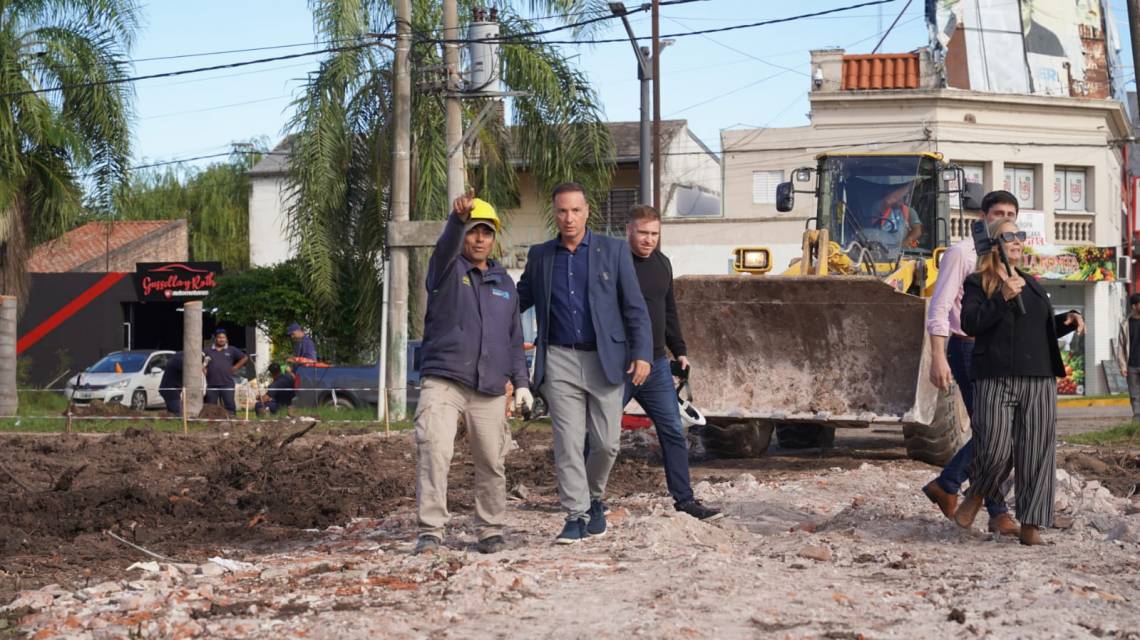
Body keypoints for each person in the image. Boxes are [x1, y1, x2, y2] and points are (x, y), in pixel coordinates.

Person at [518, 182, 653, 545]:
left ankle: (594, 497)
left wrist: (642, 353)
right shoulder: (541, 256)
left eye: (575, 210)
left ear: (587, 212)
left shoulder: (613, 251)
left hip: (605, 359)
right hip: (559, 359)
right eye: (562, 211)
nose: (569, 218)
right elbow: (518, 300)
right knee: (568, 440)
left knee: (607, 443)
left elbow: (634, 308)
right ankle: (575, 514)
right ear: (555, 214)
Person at [413, 190, 531, 556]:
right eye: (473, 231)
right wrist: (456, 221)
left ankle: (490, 530)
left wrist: (523, 383)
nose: (479, 238)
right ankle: (431, 531)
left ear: (494, 238)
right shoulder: (447, 269)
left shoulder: (504, 283)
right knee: (434, 450)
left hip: (490, 387)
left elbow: (513, 339)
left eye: (487, 232)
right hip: (444, 380)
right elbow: (445, 247)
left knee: (492, 461)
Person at [954, 219, 1084, 545]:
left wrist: (1065, 321)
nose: (1018, 241)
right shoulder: (977, 282)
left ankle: (1031, 525)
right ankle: (979, 491)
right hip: (995, 375)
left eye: (1020, 235)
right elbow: (970, 323)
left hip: (1038, 376)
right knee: (994, 445)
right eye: (1010, 235)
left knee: (1036, 452)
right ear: (993, 243)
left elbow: (1036, 329)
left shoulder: (1031, 283)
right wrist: (1002, 297)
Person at [921, 190, 1018, 535]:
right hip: (965, 348)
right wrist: (937, 356)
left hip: (996, 353)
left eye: (1009, 213)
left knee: (993, 431)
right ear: (983, 217)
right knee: (995, 431)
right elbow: (940, 306)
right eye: (996, 213)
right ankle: (983, 504)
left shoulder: (1006, 257)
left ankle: (957, 491)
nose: (1002, 217)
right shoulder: (961, 254)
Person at [623, 204, 721, 520]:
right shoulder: (614, 263)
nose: (649, 240)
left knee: (673, 432)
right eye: (643, 233)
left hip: (655, 365)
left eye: (654, 234)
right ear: (629, 230)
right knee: (600, 434)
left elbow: (668, 311)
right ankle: (580, 500)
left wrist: (679, 348)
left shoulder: (662, 264)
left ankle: (685, 500)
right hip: (619, 366)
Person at [860, 182, 923, 257]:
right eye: (898, 195)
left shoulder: (909, 211)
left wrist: (906, 241)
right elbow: (889, 200)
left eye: (902, 196)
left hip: (901, 252)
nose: (900, 198)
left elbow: (917, 230)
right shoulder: (879, 207)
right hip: (880, 250)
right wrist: (911, 184)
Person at [203, 328, 248, 415]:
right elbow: (199, 360)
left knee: (229, 405)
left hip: (227, 383)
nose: (222, 339)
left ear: (226, 339)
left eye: (224, 337)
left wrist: (235, 367)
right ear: (215, 338)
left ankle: (232, 422)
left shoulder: (231, 350)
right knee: (211, 407)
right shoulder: (207, 350)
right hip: (211, 384)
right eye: (219, 337)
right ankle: (212, 423)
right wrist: (204, 369)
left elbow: (245, 357)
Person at [1122, 293, 1140, 422]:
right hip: (1132, 365)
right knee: (1134, 395)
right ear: (1134, 306)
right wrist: (1123, 366)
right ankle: (1137, 419)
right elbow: (1121, 347)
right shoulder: (1125, 324)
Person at [159, 351, 186, 415]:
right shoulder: (178, 361)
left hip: (169, 388)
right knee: (178, 412)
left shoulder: (176, 357)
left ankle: (171, 421)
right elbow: (188, 369)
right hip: (171, 389)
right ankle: (178, 421)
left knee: (172, 412)